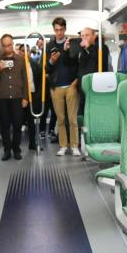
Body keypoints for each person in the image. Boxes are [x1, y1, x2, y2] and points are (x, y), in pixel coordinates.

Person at [0, 33, 29, 160]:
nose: (7, 48)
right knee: (4, 126)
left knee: (17, 124)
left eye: (9, 45)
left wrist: (25, 97)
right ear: (2, 46)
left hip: (17, 97)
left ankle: (16, 149)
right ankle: (7, 150)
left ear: (12, 44)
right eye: (4, 46)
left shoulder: (21, 60)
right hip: (3, 98)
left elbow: (25, 79)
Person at [46, 17, 80, 156]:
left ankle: (74, 145)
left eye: (61, 30)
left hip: (71, 84)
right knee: (60, 119)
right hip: (56, 86)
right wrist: (51, 61)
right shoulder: (49, 46)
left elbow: (76, 63)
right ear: (54, 30)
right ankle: (63, 145)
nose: (59, 33)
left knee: (72, 119)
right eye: (56, 30)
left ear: (65, 29)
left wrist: (76, 80)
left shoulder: (72, 43)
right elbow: (46, 69)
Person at [76, 27, 113, 117]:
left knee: (95, 111)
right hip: (83, 86)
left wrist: (88, 47)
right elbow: (81, 67)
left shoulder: (102, 47)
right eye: (82, 36)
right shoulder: (82, 50)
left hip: (96, 86)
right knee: (83, 110)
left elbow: (100, 62)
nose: (84, 38)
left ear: (94, 36)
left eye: (87, 35)